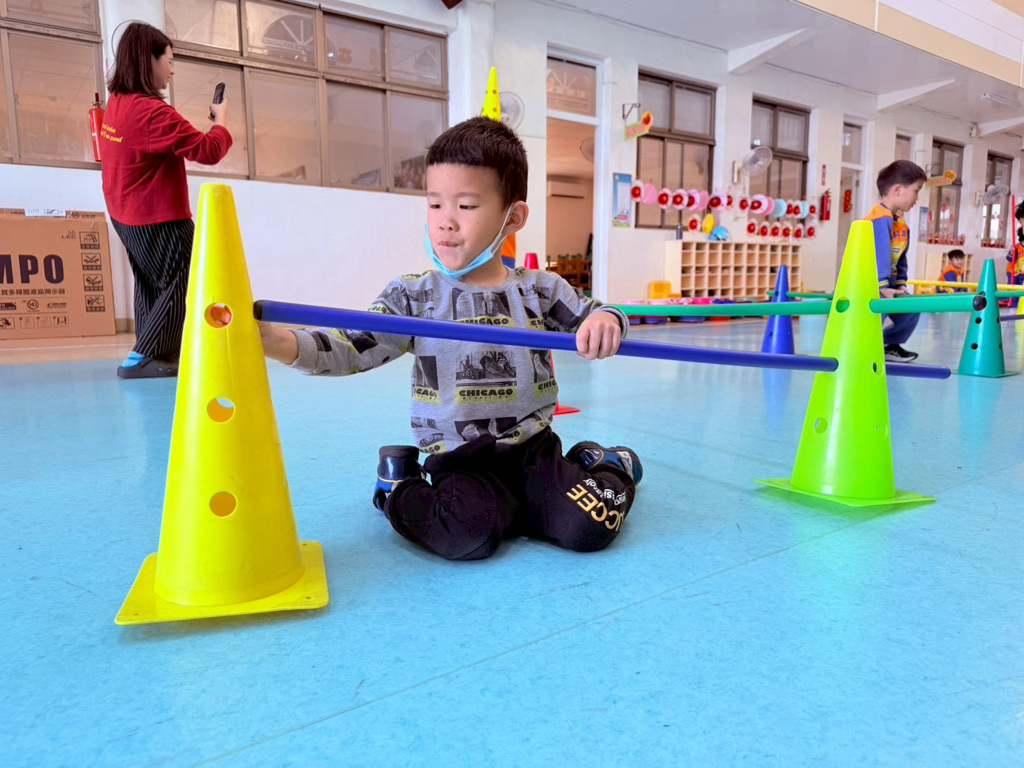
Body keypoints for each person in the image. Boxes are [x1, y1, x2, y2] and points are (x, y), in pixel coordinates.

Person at [260, 117, 641, 562]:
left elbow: (598, 314)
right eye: (435, 205)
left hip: (533, 451)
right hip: (460, 459)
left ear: (513, 217)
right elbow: (352, 346)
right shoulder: (414, 296)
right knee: (466, 536)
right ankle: (398, 485)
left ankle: (604, 463)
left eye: (466, 205)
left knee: (592, 525)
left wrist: (606, 320)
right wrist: (276, 341)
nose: (445, 222)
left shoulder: (539, 289)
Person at [101, 22, 232, 379]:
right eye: (170, 61)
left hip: (125, 215)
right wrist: (221, 122)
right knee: (186, 278)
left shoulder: (119, 104)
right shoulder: (152, 112)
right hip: (157, 215)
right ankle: (143, 356)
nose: (172, 70)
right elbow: (208, 150)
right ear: (150, 60)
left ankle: (156, 354)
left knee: (152, 284)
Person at [863, 159, 927, 363]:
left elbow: (901, 260)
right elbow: (879, 255)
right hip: (868, 285)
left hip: (887, 285)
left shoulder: (901, 225)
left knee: (911, 307)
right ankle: (865, 346)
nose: (917, 198)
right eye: (916, 190)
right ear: (898, 190)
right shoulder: (878, 219)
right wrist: (882, 286)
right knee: (879, 307)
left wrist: (900, 284)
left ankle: (889, 344)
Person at [1006, 202, 1024, 308]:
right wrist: (1013, 253)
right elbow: (1010, 260)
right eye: (1021, 222)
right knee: (1015, 295)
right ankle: (1013, 305)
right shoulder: (1017, 247)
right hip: (1016, 273)